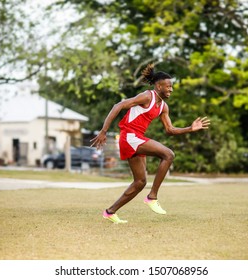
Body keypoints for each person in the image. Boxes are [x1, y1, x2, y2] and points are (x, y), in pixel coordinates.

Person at [90, 64, 210, 224]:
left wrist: (190, 128)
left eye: (172, 87)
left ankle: (110, 212)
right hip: (129, 136)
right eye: (168, 86)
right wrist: (104, 131)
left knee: (140, 182)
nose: (171, 90)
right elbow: (118, 106)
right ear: (159, 86)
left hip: (136, 138)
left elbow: (170, 129)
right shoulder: (147, 96)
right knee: (168, 154)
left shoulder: (163, 107)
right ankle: (152, 197)